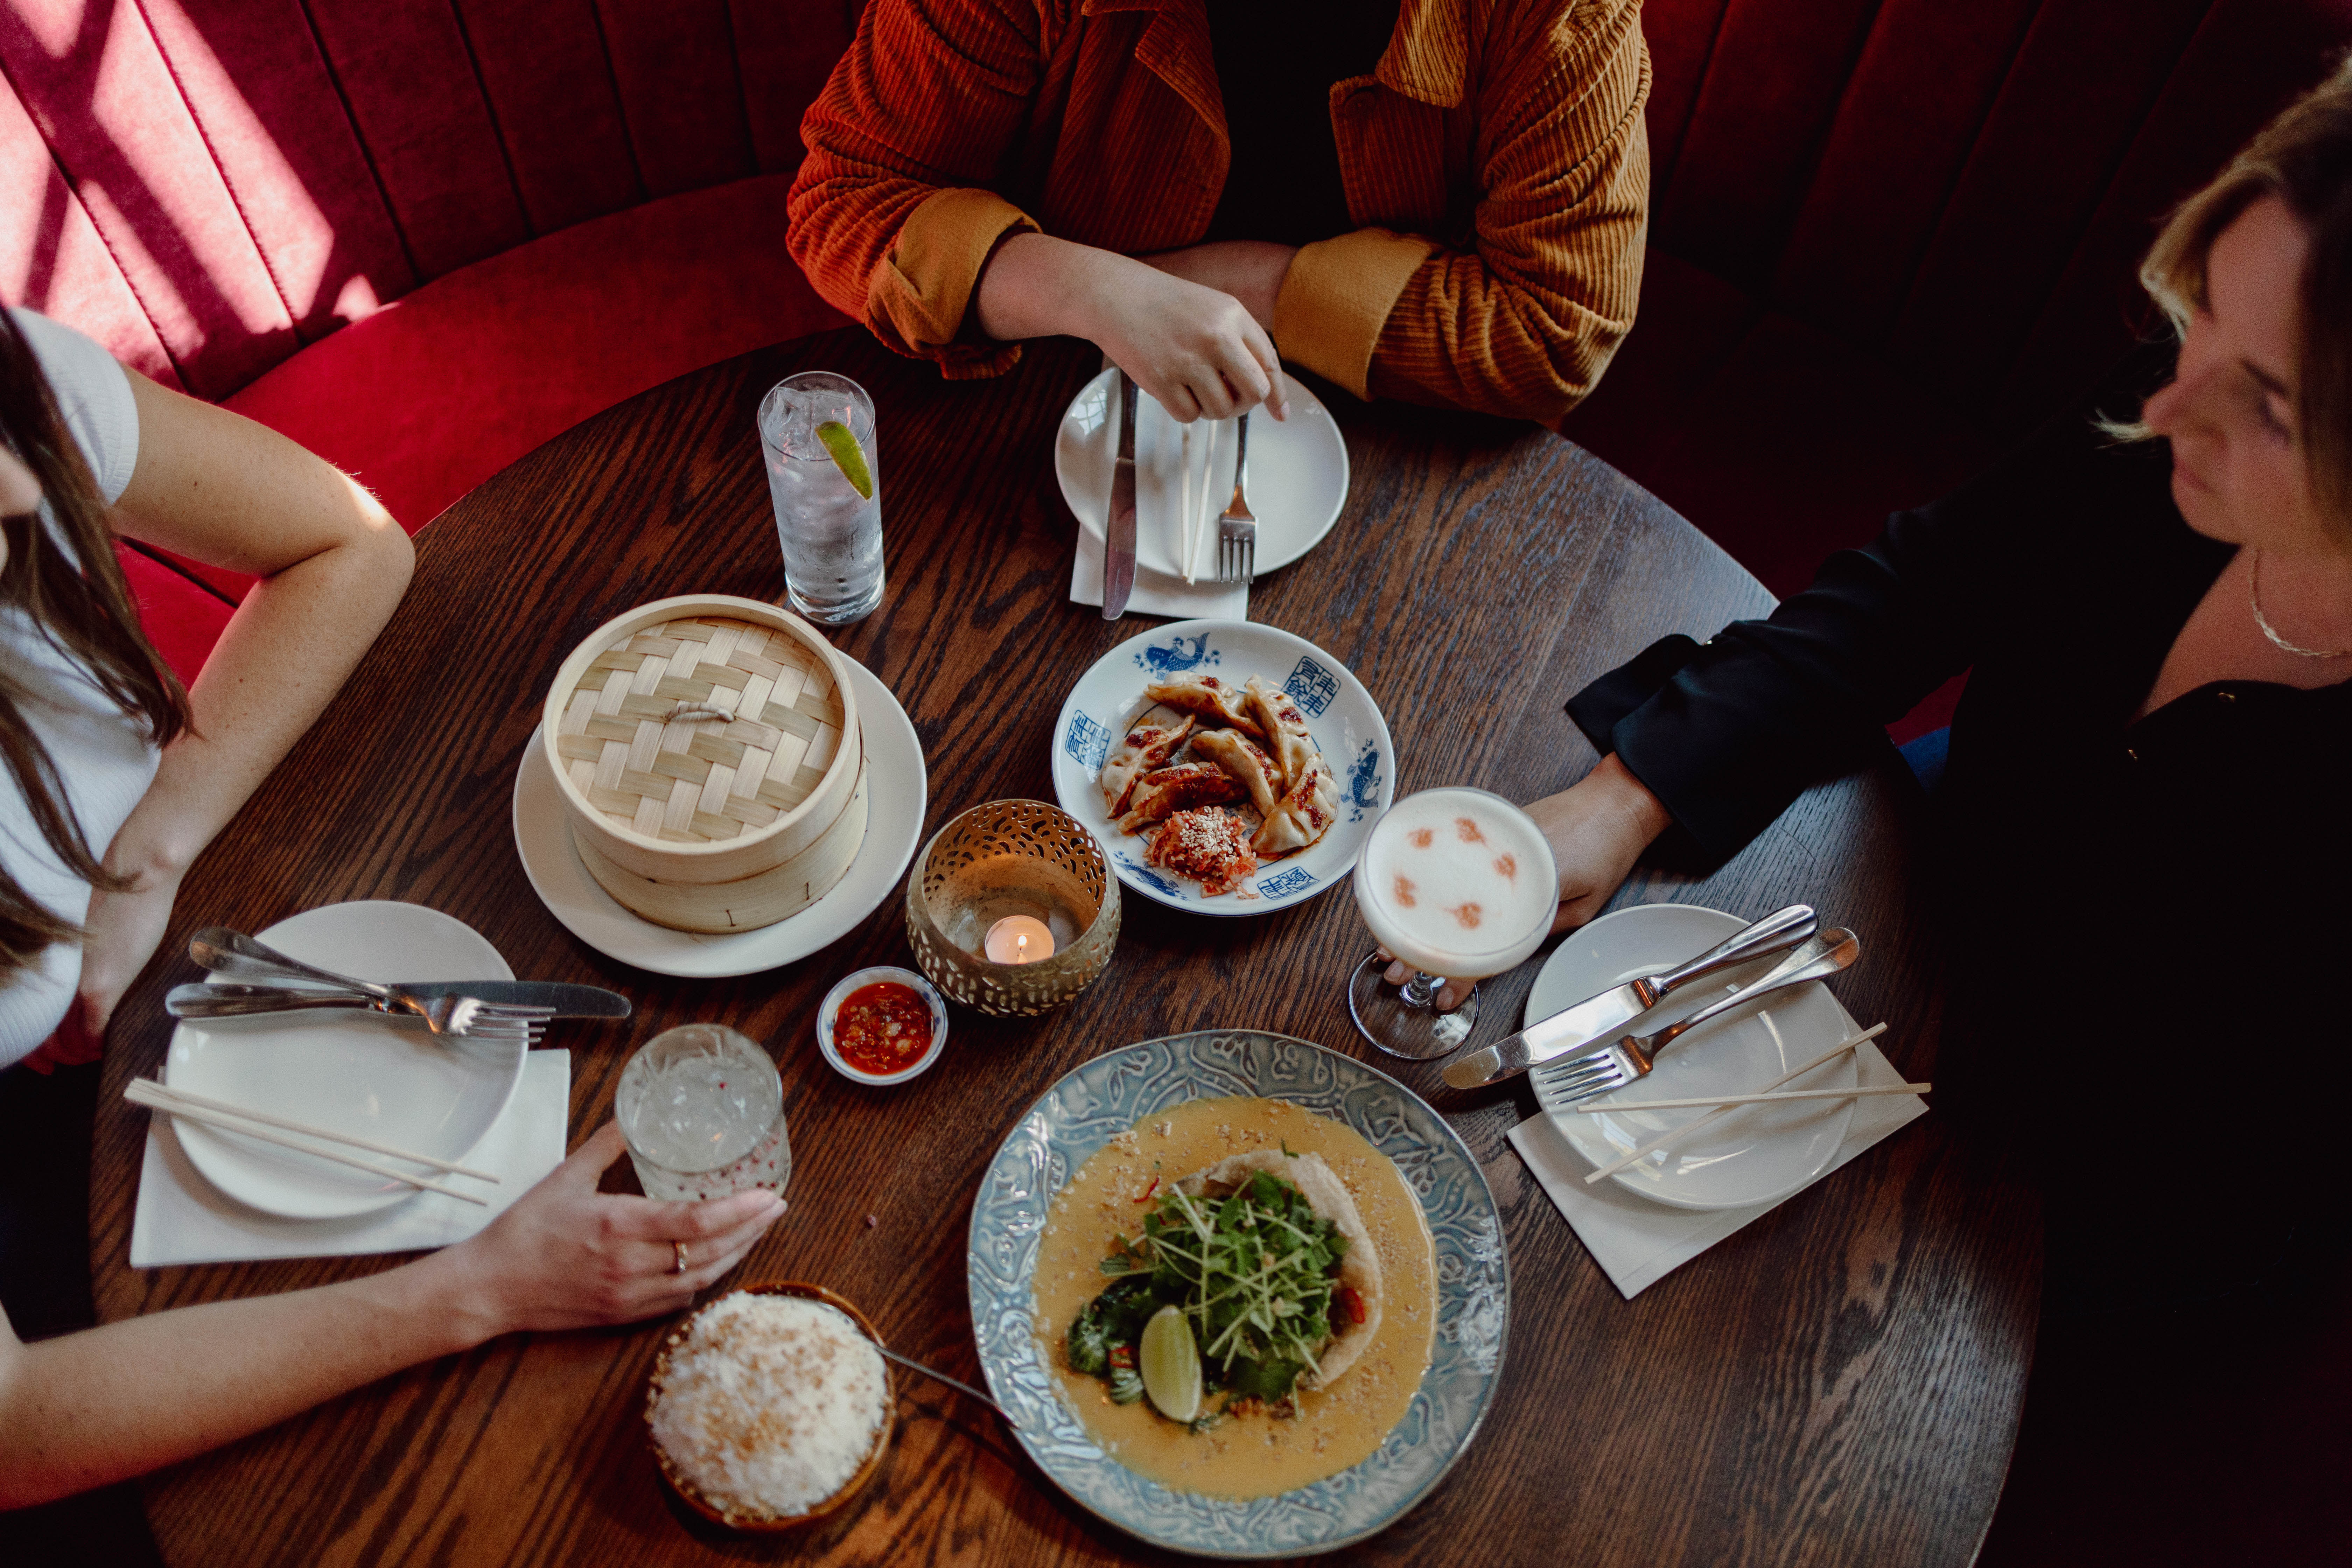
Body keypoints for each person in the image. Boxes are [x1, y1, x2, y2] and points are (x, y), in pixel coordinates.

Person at [1498, 59, 2352, 1558]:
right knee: (1524, 1177)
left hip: (2135, 1169)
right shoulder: (2187, 404)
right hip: (1933, 894)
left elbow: (2250, 1160)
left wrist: (1895, 1156)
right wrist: (1627, 796)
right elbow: (1933, 579)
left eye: (2266, 404)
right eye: (2197, 311)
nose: (2167, 404)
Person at [0, 309, 785, 1521]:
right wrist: (477, 1291)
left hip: (136, 991)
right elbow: (14, 1432)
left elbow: (348, 543)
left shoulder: (15, 390)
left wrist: (151, 849)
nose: (19, 499)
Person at [786, 0, 1648, 426]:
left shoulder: (1561, 11)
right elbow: (847, 194)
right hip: (1042, 402)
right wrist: (1089, 290)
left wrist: (1241, 283)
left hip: (1410, 419)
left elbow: (1559, 325)